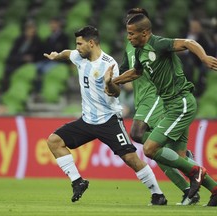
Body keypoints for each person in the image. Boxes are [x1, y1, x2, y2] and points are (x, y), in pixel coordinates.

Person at [44, 26, 167, 205]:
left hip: (108, 120)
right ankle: (78, 182)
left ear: (91, 43)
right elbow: (67, 53)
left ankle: (158, 194)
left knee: (130, 158)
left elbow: (115, 93)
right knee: (54, 141)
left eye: (80, 43)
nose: (77, 47)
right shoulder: (79, 56)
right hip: (87, 120)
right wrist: (56, 55)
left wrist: (109, 82)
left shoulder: (109, 64)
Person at [104, 14, 217, 206]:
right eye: (127, 33)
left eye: (132, 34)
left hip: (180, 103)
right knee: (178, 157)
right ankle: (214, 190)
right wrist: (114, 81)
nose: (128, 37)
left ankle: (195, 171)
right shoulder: (139, 52)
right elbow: (136, 72)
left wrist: (204, 57)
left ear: (145, 33)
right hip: (170, 105)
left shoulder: (159, 44)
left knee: (149, 148)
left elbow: (189, 43)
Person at [2, 20, 43, 92]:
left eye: (33, 29)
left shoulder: (37, 41)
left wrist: (28, 58)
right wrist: (21, 57)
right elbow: (13, 52)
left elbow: (37, 55)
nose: (32, 31)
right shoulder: (19, 39)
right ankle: (6, 90)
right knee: (8, 67)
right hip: (17, 59)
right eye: (29, 29)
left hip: (28, 63)